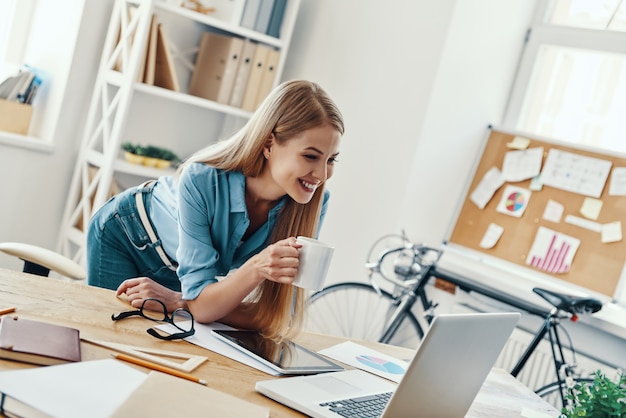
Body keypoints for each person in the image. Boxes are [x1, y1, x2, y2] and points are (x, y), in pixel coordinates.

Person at [86, 80, 344, 339]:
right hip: (127, 236)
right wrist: (253, 269)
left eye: (331, 160)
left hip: (183, 272)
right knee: (110, 339)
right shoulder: (202, 178)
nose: (322, 175)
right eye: (310, 156)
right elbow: (204, 306)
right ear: (268, 144)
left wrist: (182, 301)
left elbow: (276, 318)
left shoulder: (314, 203)